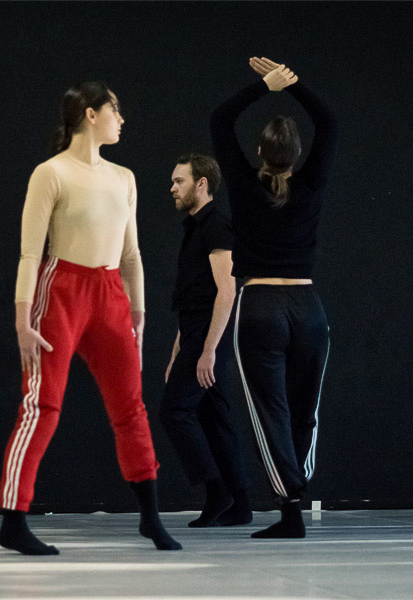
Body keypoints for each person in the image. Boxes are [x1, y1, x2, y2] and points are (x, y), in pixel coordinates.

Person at [0, 82, 181, 555]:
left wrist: (138, 315)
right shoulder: (51, 173)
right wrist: (22, 318)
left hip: (110, 294)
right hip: (61, 290)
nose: (123, 119)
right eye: (116, 110)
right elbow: (29, 253)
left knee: (130, 406)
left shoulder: (125, 178)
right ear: (92, 114)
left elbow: (132, 255)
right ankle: (13, 520)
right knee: (43, 405)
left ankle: (151, 517)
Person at [210, 57, 337, 539]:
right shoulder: (311, 185)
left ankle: (290, 508)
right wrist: (296, 85)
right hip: (309, 309)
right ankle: (296, 497)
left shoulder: (244, 187)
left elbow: (221, 119)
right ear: (299, 153)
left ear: (261, 150)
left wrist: (265, 86)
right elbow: (330, 121)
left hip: (261, 306)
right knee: (304, 409)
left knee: (273, 412)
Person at [161, 153, 253, 527]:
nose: (172, 188)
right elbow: (193, 299)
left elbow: (226, 291)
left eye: (179, 181)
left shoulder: (216, 225)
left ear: (201, 184)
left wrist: (208, 350)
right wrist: (176, 353)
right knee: (214, 418)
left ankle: (216, 493)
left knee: (174, 410)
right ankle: (242, 503)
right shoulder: (197, 227)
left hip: (207, 336)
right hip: (197, 332)